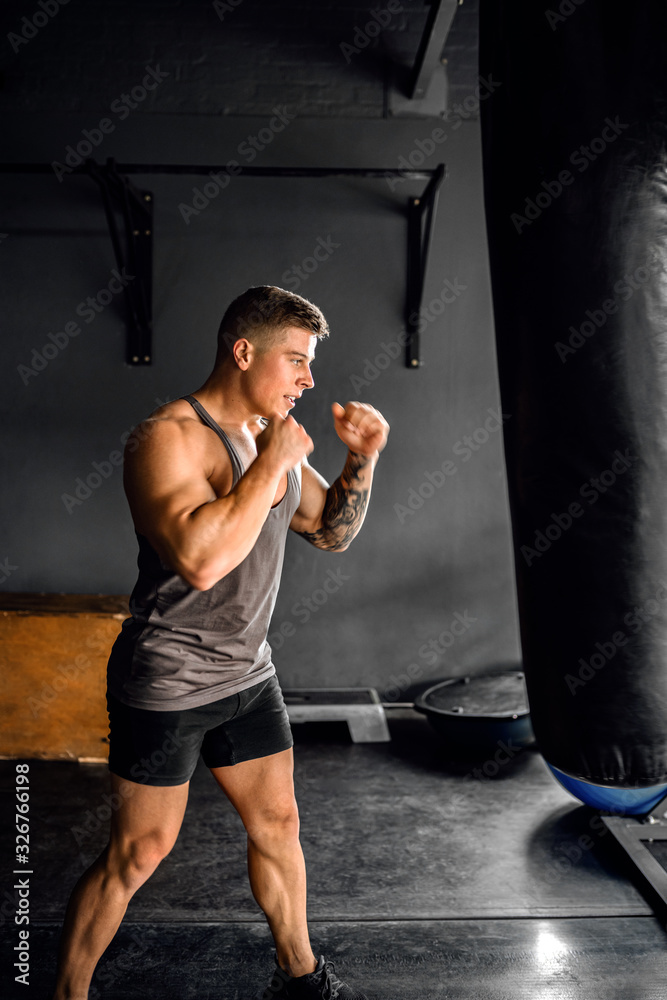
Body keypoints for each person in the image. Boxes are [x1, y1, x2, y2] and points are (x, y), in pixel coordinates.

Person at [52, 285, 390, 1000]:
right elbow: (200, 560)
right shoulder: (168, 437)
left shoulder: (274, 441)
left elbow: (329, 530)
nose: (308, 379)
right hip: (168, 678)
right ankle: (67, 991)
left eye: (309, 364)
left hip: (246, 675)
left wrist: (361, 458)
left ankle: (301, 979)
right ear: (243, 351)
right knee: (140, 852)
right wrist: (273, 463)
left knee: (278, 822)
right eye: (295, 361)